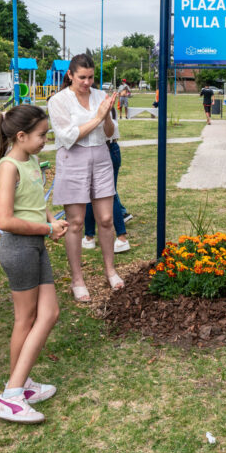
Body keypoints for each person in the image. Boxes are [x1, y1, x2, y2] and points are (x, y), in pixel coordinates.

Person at [0, 105, 68, 423]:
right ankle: (10, 397)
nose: (44, 141)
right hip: (19, 248)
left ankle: (21, 385)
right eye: (41, 135)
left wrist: (51, 221)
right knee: (26, 319)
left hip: (36, 245)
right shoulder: (8, 167)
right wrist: (47, 229)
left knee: (49, 314)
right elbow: (5, 220)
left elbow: (38, 201)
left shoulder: (31, 160)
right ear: (20, 136)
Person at [47, 54, 122, 302]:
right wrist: (98, 117)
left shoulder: (100, 96)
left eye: (91, 77)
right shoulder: (58, 100)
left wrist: (108, 116)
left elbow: (111, 134)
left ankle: (110, 270)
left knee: (106, 217)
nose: (87, 82)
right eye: (82, 77)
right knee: (76, 222)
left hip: (101, 155)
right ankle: (77, 279)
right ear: (70, 75)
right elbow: (69, 136)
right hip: (73, 158)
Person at [81, 104, 132, 254]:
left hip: (103, 149)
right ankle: (91, 236)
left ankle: (116, 237)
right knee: (99, 193)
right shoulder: (99, 103)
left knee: (106, 194)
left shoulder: (96, 105)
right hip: (110, 148)